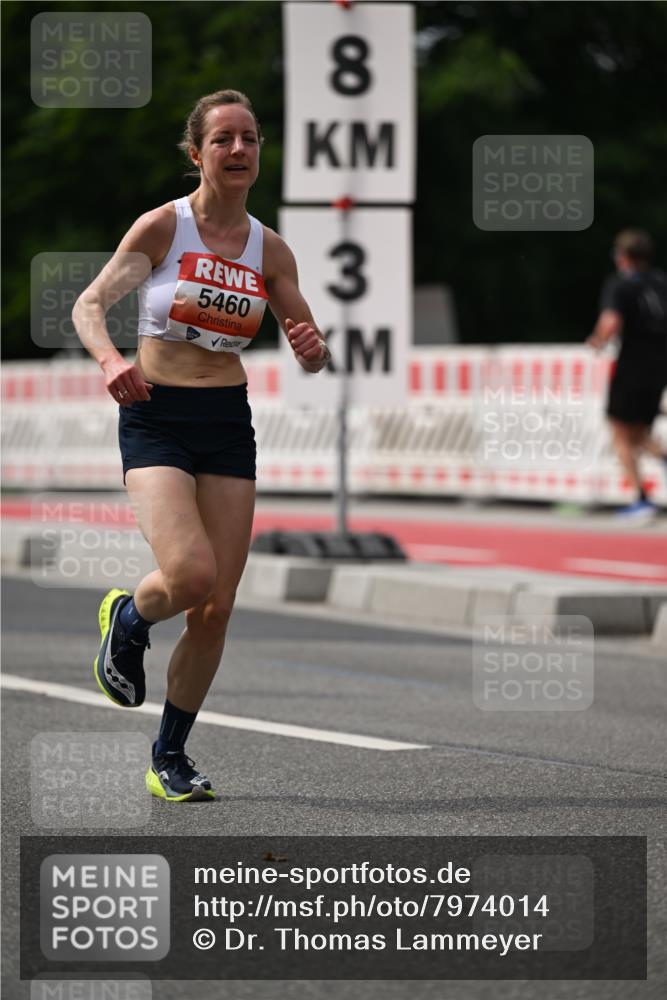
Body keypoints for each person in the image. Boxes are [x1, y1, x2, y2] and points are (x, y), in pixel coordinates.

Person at [72, 90, 331, 801]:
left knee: (216, 605)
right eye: (223, 139)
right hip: (155, 413)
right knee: (187, 576)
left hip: (224, 419)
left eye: (249, 138)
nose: (239, 150)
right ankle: (128, 614)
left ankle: (169, 757)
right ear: (197, 153)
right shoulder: (164, 227)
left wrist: (311, 349)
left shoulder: (268, 249)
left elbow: (308, 345)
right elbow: (89, 305)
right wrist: (109, 361)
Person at [588, 228, 667, 520]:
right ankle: (662, 460)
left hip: (633, 364)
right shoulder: (660, 282)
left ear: (623, 257)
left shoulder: (620, 285)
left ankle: (641, 498)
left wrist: (596, 340)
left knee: (619, 431)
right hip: (660, 366)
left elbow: (610, 321)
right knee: (639, 432)